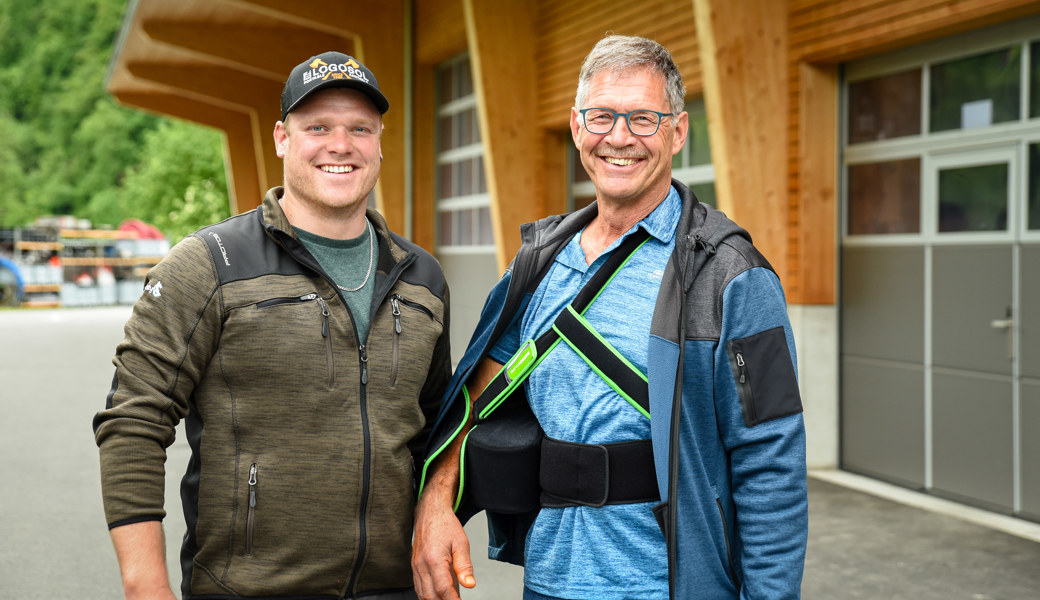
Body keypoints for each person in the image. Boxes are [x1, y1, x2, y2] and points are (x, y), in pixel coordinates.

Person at [412, 35, 807, 600]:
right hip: (549, 581)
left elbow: (771, 458)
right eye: (602, 117)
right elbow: (477, 401)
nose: (619, 138)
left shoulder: (733, 278)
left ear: (678, 131)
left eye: (644, 119)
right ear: (577, 127)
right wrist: (437, 500)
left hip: (667, 586)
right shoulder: (538, 265)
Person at [93, 51, 451, 600]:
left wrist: (437, 513)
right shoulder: (209, 264)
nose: (340, 145)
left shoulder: (421, 277)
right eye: (319, 127)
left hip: (393, 590)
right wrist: (146, 587)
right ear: (283, 138)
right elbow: (133, 423)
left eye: (359, 128)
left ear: (380, 142)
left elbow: (434, 433)